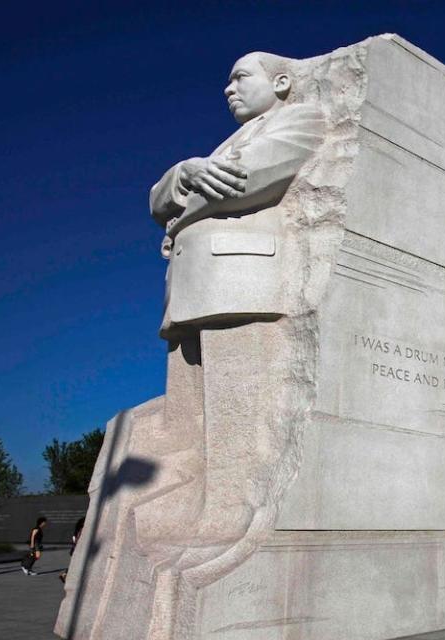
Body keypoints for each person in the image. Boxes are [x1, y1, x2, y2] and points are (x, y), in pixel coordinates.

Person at [133, 51, 326, 571]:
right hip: (192, 290)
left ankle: (227, 523)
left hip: (240, 282)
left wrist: (176, 220)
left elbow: (245, 183)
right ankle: (195, 515)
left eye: (240, 77)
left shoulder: (302, 117)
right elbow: (157, 199)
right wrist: (186, 172)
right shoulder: (222, 146)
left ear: (281, 81)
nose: (228, 88)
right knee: (193, 417)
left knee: (238, 417)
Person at [59, 516, 85, 583]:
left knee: (75, 564)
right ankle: (66, 575)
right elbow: (78, 541)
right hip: (78, 550)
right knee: (76, 565)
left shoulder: (77, 531)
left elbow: (74, 540)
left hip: (74, 550)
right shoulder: (82, 530)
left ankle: (65, 575)